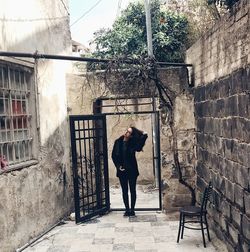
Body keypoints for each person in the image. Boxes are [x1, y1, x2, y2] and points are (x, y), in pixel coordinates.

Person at [112, 126, 148, 217]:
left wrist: (144, 134)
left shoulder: (133, 144)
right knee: (124, 191)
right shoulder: (118, 142)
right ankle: (127, 209)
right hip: (122, 171)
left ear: (131, 136)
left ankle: (132, 210)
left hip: (132, 170)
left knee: (132, 190)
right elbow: (113, 156)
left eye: (129, 132)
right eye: (127, 131)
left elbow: (140, 145)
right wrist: (118, 166)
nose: (126, 132)